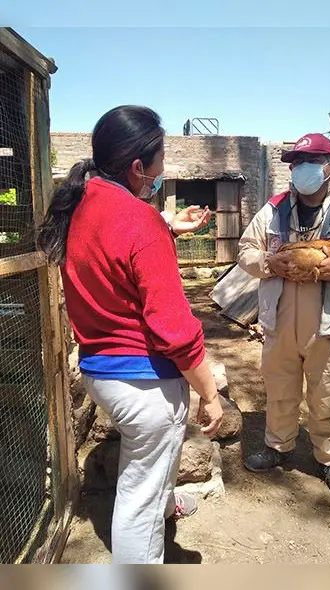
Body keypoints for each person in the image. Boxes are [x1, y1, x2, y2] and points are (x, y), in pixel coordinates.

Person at [36, 105, 224, 564]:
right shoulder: (138, 222)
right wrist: (209, 393)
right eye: (161, 161)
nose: (164, 171)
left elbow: (112, 247)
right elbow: (176, 330)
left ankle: (166, 503)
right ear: (139, 167)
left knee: (144, 468)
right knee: (137, 502)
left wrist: (165, 227)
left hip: (103, 372)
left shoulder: (82, 205)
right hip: (145, 384)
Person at [237, 133, 330, 500]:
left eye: (308, 162)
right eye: (295, 163)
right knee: (280, 385)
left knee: (328, 393)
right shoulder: (273, 208)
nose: (299, 169)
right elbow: (245, 248)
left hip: (328, 319)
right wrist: (267, 262)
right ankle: (278, 445)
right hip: (280, 313)